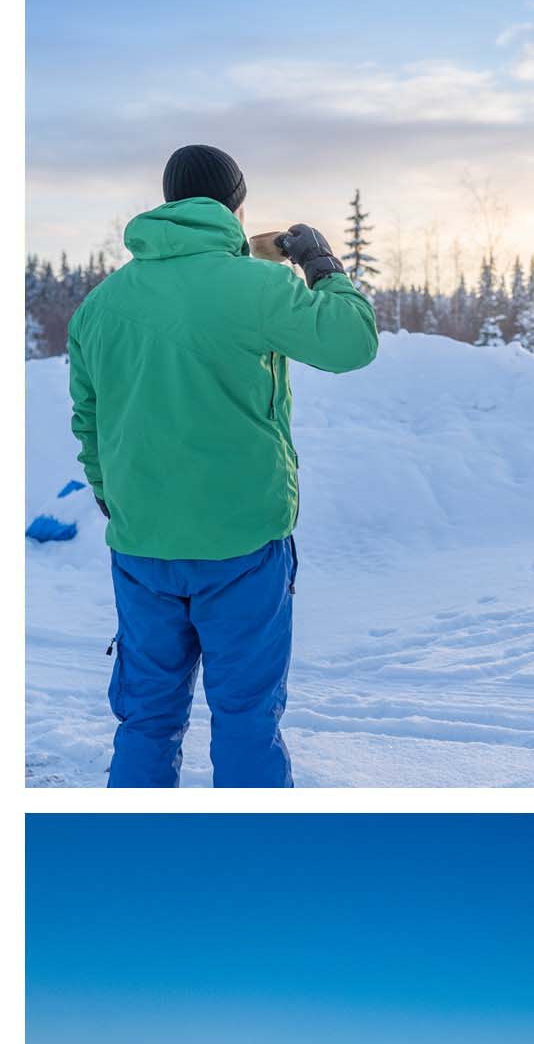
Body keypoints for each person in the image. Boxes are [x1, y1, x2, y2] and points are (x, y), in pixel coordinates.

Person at [67, 144, 379, 785]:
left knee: (146, 720)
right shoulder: (261, 286)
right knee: (244, 718)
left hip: (141, 545)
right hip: (242, 543)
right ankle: (253, 865)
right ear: (236, 207)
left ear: (169, 203)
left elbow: (89, 420)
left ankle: (140, 863)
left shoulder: (101, 305)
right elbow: (351, 342)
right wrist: (320, 264)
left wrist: (110, 494)